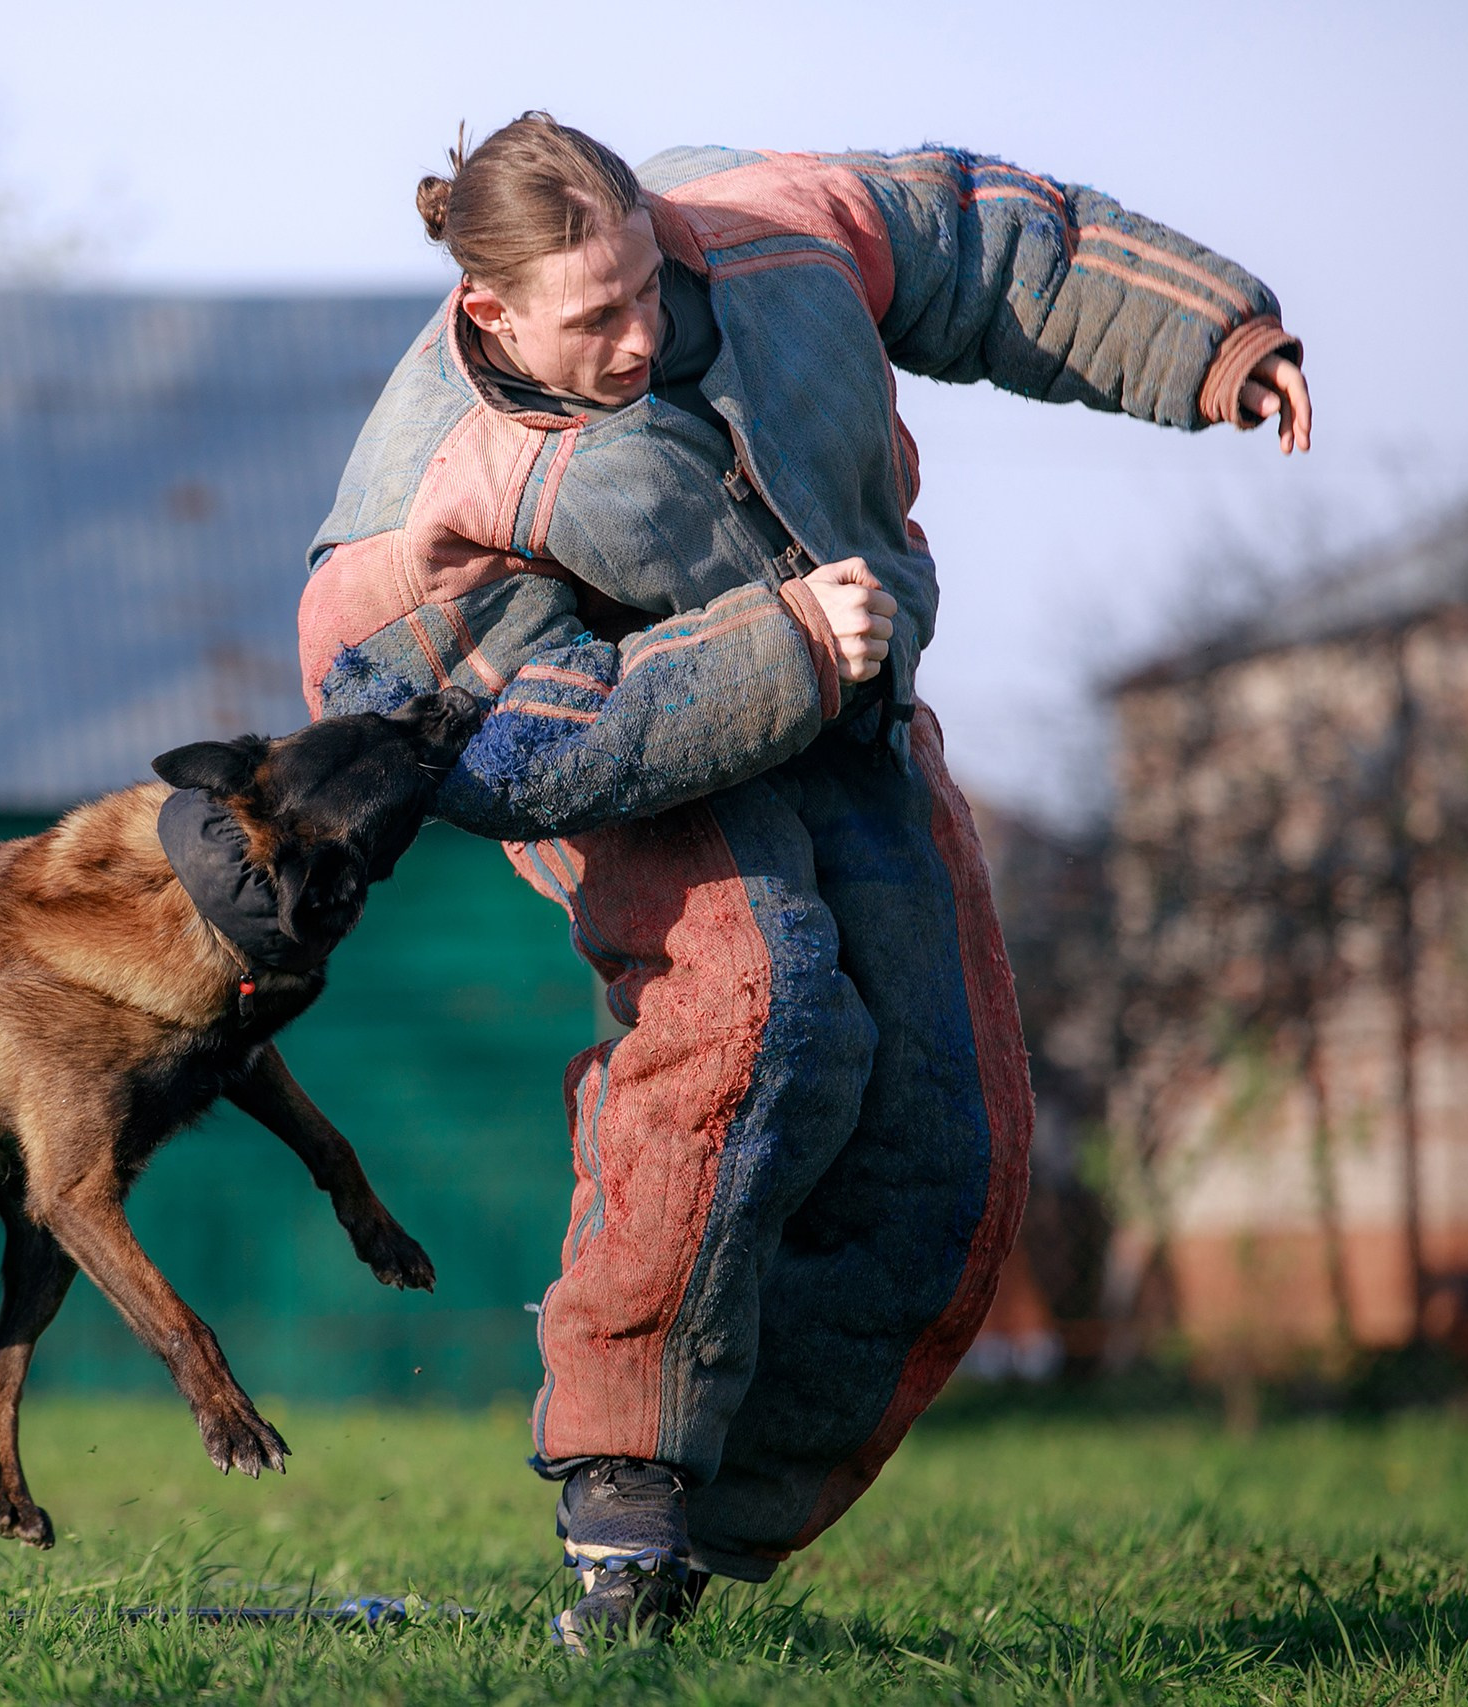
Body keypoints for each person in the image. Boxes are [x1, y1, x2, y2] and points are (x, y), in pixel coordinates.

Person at [297, 114, 1310, 1651]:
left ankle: (699, 1550)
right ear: (496, 316)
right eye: (595, 320)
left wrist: (1211, 335)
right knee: (755, 1006)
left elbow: (987, 242)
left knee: (950, 1145)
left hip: (852, 704)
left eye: (648, 284)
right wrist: (771, 650)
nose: (641, 335)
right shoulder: (423, 497)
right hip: (620, 748)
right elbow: (490, 749)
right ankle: (622, 1489)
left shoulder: (781, 230)